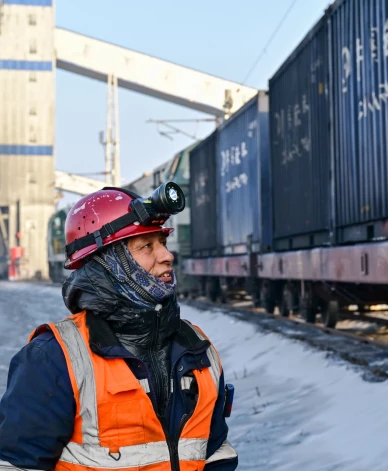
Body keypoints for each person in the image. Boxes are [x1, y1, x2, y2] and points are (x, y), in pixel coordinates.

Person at [0, 183, 238, 470]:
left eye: (162, 242)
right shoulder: (53, 359)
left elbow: (215, 453)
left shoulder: (197, 348)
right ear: (108, 264)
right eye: (146, 246)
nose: (166, 256)